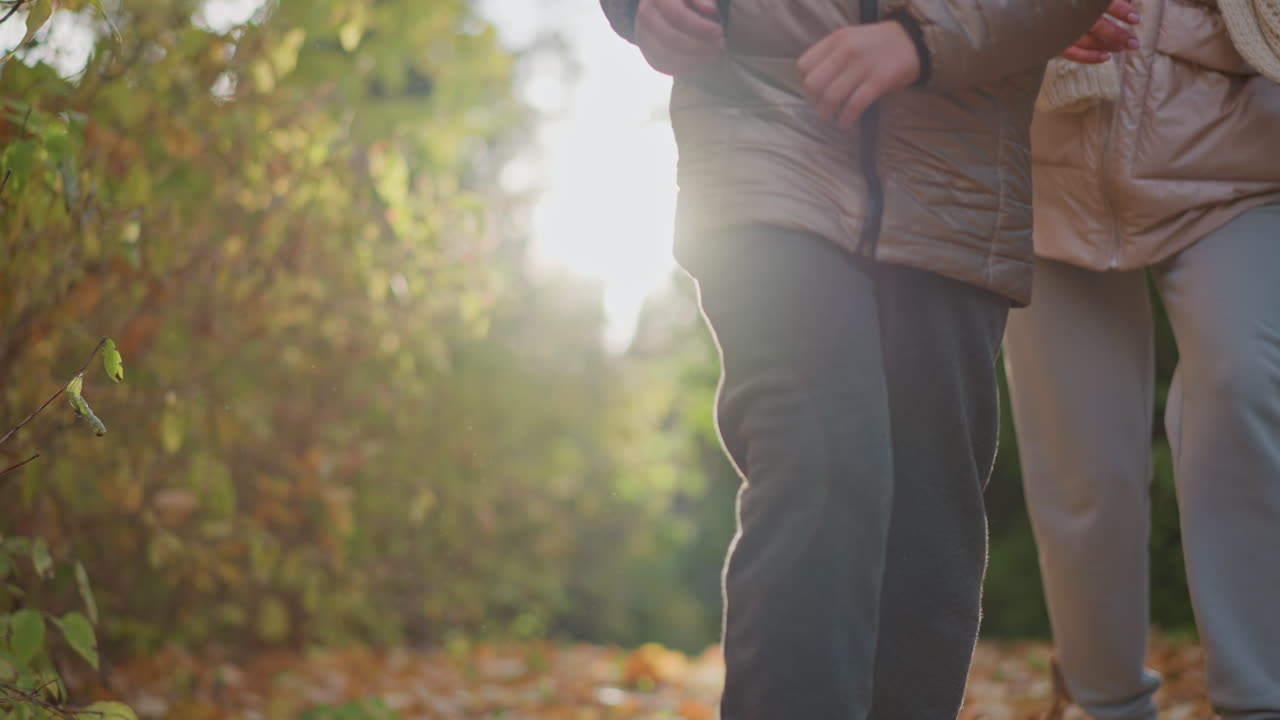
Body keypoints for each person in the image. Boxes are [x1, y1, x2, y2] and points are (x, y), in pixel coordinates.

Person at [598, 0, 1131, 717]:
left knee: (929, 528)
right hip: (762, 139)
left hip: (956, 177)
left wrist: (923, 40)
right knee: (818, 456)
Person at [1002, 2, 1280, 718]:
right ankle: (1105, 703)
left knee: (1241, 383)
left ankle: (1260, 701)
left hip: (1238, 160)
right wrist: (1030, 18)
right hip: (1041, 161)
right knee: (1082, 465)